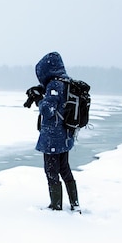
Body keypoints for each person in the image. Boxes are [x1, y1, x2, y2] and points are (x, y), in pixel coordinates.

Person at [25, 52, 80, 213]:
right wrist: (43, 91)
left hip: (53, 137)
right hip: (65, 135)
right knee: (64, 169)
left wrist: (38, 100)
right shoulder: (66, 82)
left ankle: (56, 206)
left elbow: (48, 109)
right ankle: (75, 204)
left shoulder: (54, 85)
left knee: (51, 171)